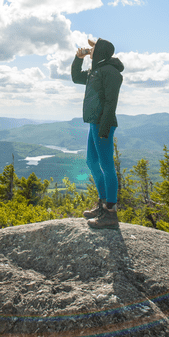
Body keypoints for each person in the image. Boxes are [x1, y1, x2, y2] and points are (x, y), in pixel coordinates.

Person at [71, 38, 124, 229]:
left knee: (107, 165)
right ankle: (102, 204)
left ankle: (110, 213)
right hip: (94, 122)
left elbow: (111, 102)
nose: (90, 50)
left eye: (93, 48)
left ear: (100, 51)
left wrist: (104, 127)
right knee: (91, 162)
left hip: (103, 124)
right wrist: (79, 58)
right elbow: (76, 77)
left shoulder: (111, 73)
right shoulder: (96, 71)